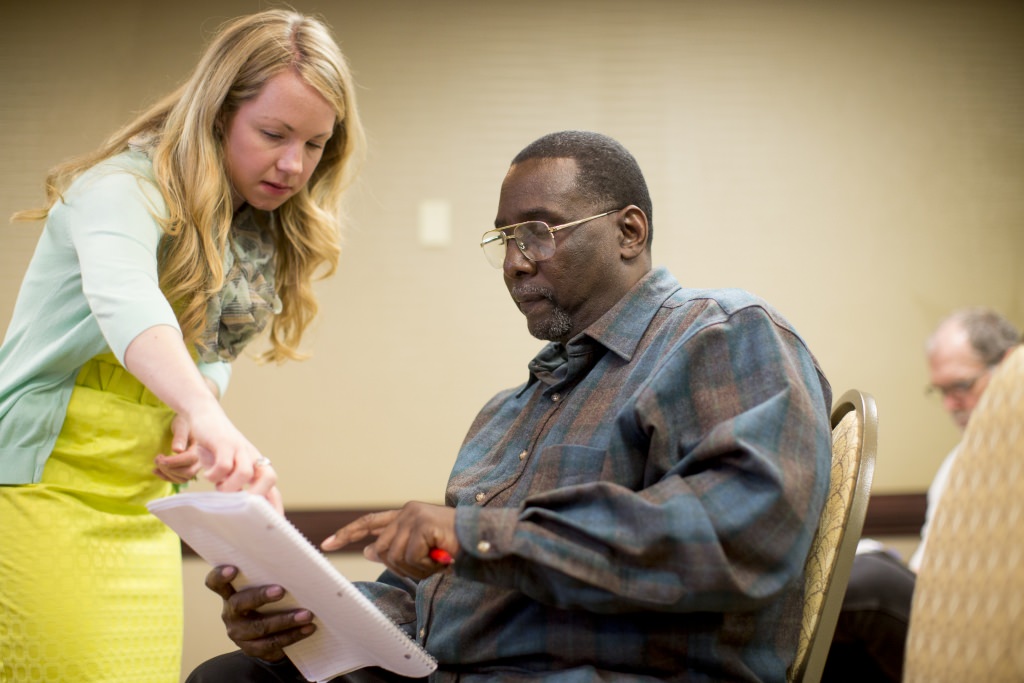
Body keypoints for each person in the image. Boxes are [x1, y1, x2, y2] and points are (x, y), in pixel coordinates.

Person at [187, 130, 833, 682]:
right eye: (505, 239)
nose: (516, 264)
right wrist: (299, 612)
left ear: (629, 232)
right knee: (235, 674)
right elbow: (435, 599)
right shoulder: (510, 411)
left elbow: (737, 537)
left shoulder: (717, 335)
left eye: (539, 233)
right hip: (453, 668)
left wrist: (475, 533)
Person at [0, 9, 364, 683]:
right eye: (274, 133)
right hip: (39, 495)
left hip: (140, 510)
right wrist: (202, 408)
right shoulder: (119, 190)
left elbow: (210, 345)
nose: (293, 164)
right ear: (218, 114)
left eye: (314, 145)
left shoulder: (248, 232)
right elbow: (125, 298)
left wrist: (193, 406)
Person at [823, 307, 1021, 682]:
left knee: (868, 583)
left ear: (1009, 364)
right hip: (934, 603)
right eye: (941, 391)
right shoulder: (958, 460)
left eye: (961, 386)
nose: (949, 406)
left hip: (975, 622)